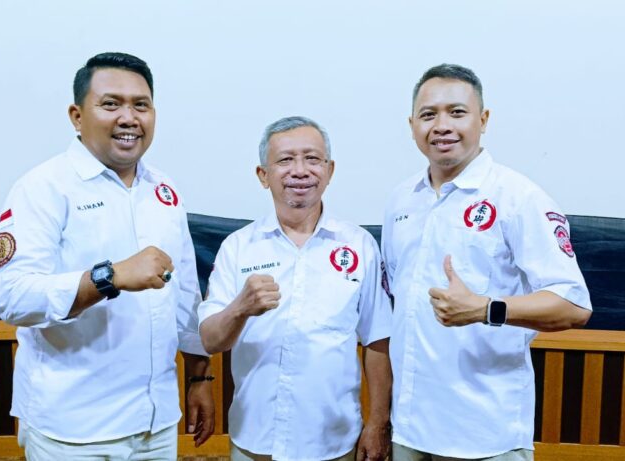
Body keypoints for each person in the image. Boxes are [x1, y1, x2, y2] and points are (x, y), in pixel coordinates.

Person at [0, 52, 214, 460]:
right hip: (73, 427)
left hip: (156, 422)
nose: (129, 118)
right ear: (77, 116)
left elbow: (185, 294)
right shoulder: (42, 188)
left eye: (141, 105)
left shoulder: (164, 191)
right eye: (111, 104)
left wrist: (200, 377)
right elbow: (13, 298)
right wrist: (108, 277)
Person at [381, 64, 593, 461]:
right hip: (410, 429)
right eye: (428, 115)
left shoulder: (518, 197)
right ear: (412, 125)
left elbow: (574, 305)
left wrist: (485, 308)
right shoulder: (401, 201)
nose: (442, 126)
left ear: (483, 119)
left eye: (457, 112)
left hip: (486, 433)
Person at [198, 116, 393, 461]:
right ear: (263, 175)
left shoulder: (359, 245)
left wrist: (377, 423)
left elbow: (378, 339)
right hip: (255, 439)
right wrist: (240, 308)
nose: (300, 171)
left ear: (329, 170)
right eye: (286, 160)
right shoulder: (238, 247)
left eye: (312, 159)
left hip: (334, 441)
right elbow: (211, 340)